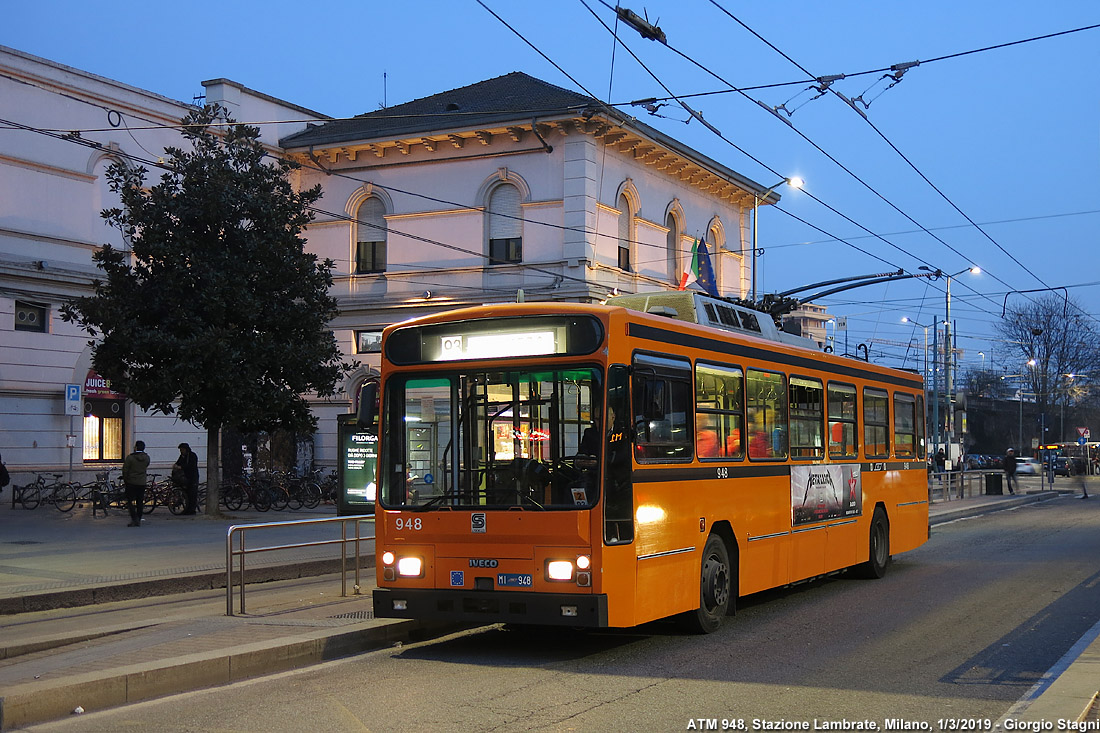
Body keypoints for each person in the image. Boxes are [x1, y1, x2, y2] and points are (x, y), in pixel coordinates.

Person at [121, 440, 150, 527]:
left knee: (130, 501)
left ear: (136, 447)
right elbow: (146, 466)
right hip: (142, 482)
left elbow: (125, 470)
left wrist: (126, 479)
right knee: (140, 502)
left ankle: (134, 518)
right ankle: (139, 518)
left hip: (131, 482)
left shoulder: (130, 458)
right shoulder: (147, 458)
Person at [174, 442, 200, 515]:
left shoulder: (192, 456)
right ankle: (186, 509)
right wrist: (176, 465)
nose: (181, 451)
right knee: (187, 494)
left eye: (182, 450)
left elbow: (191, 466)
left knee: (192, 494)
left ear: (186, 449)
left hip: (192, 477)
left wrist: (181, 467)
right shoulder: (182, 456)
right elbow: (178, 462)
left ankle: (191, 510)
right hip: (185, 477)